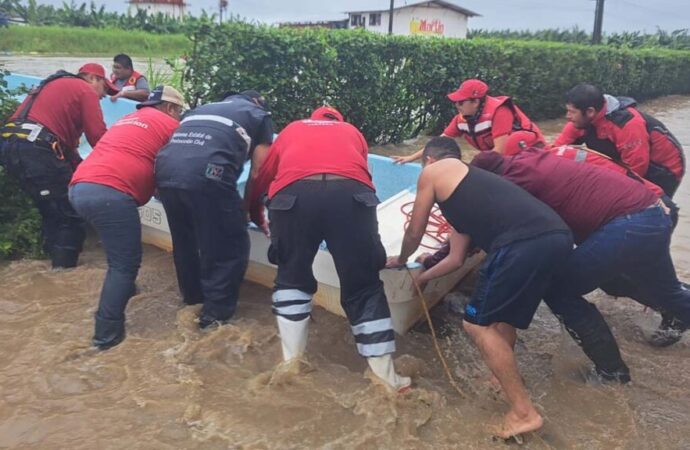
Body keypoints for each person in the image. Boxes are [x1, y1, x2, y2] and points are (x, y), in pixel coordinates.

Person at [387, 136, 572, 438]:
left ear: (430, 160)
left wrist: (402, 259)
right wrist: (422, 278)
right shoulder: (468, 192)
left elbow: (415, 230)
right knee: (502, 320)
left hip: (521, 243)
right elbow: (457, 258)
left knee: (476, 324)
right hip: (555, 236)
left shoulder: (435, 170)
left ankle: (523, 412)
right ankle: (499, 380)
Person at [473, 147, 690, 381]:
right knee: (663, 291)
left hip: (629, 223)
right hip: (654, 214)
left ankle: (612, 372)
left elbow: (513, 234)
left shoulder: (513, 183)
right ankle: (678, 317)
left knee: (558, 289)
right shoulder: (526, 159)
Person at [247, 106, 411, 392]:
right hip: (351, 198)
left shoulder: (292, 129)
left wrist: (253, 211)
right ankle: (388, 381)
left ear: (312, 118)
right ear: (339, 122)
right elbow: (364, 178)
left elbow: (262, 174)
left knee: (291, 276)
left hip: (293, 199)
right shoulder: (353, 133)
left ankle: (291, 365)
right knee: (363, 286)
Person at [69, 86, 184, 350]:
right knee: (124, 265)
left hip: (79, 187)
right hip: (110, 193)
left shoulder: (126, 121)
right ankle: (106, 338)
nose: (178, 117)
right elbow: (181, 166)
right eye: (178, 112)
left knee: (117, 257)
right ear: (171, 109)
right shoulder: (169, 124)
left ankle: (125, 291)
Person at [154, 90, 274, 329]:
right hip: (208, 175)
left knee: (185, 241)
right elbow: (260, 170)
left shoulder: (200, 109)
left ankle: (192, 301)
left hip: (165, 172)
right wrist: (250, 209)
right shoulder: (260, 115)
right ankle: (214, 319)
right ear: (257, 102)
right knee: (230, 244)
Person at [0, 63, 115, 268]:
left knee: (50, 209)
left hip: (10, 146)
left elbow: (68, 153)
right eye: (104, 89)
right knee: (68, 214)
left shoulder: (55, 86)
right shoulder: (84, 90)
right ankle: (63, 274)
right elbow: (98, 137)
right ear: (92, 78)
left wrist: (83, 171)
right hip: (36, 150)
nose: (103, 96)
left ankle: (46, 263)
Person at [553, 83, 684, 197]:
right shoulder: (580, 121)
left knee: (648, 209)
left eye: (572, 112)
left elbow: (636, 170)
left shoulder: (626, 124)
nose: (567, 116)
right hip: (627, 160)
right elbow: (555, 152)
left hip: (662, 169)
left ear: (590, 112)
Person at [392, 79, 544, 163]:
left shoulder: (500, 112)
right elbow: (438, 142)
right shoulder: (461, 119)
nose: (456, 106)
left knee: (485, 164)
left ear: (475, 102)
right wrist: (410, 158)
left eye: (460, 102)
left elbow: (500, 151)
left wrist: (471, 170)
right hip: (501, 157)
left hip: (529, 153)